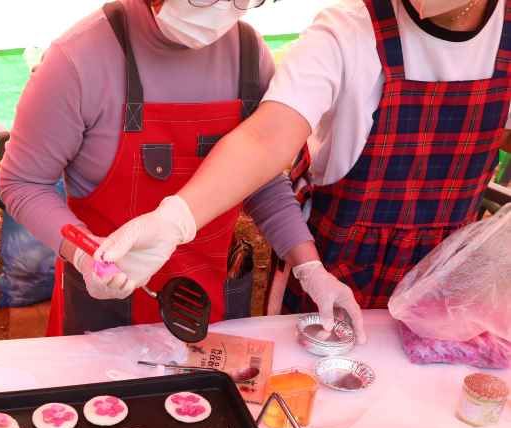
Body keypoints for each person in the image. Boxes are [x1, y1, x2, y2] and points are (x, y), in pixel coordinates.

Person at [96, 0, 511, 317]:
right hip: (342, 266)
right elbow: (266, 137)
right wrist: (174, 220)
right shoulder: (348, 29)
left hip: (445, 274)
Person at [0, 0, 365, 341]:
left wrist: (309, 268)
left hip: (203, 300)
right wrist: (81, 251)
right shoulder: (77, 60)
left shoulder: (250, 57)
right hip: (104, 301)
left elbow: (261, 180)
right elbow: (23, 183)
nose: (222, 8)